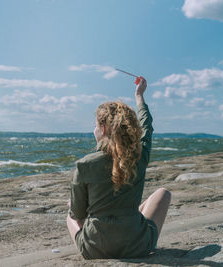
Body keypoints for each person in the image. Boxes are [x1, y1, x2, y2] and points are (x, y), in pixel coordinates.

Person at [66, 77, 171, 259]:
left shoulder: (84, 165)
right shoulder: (139, 155)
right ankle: (130, 221)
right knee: (164, 193)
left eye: (96, 125)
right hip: (137, 245)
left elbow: (78, 214)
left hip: (95, 248)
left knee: (70, 214)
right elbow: (146, 126)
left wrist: (74, 205)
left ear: (104, 129)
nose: (95, 129)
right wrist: (139, 96)